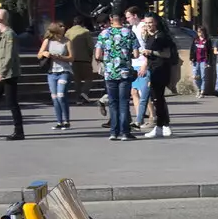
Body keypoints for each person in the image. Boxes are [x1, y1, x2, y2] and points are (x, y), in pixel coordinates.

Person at [95, 11, 138, 141]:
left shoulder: (104, 34)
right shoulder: (129, 33)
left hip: (109, 72)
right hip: (124, 72)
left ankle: (113, 132)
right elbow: (136, 54)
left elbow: (97, 55)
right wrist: (125, 56)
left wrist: (108, 59)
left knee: (113, 103)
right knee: (124, 102)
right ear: (122, 19)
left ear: (110, 19)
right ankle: (125, 132)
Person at [0, 6, 24, 141]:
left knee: (11, 102)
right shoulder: (0, 34)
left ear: (0, 19)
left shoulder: (9, 34)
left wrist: (1, 73)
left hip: (8, 74)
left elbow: (9, 56)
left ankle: (19, 132)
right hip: (1, 73)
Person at [142, 13, 177, 138]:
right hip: (153, 69)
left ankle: (164, 125)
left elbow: (167, 54)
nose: (148, 25)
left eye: (150, 22)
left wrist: (150, 52)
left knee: (158, 98)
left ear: (156, 22)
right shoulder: (150, 36)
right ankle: (161, 126)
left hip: (161, 69)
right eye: (146, 23)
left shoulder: (162, 36)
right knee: (157, 98)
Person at [38, 20, 73, 129]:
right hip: (52, 72)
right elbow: (39, 55)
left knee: (61, 95)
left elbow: (72, 57)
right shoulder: (47, 41)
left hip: (64, 71)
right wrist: (44, 53)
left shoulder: (67, 41)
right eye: (61, 27)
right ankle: (59, 122)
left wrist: (59, 57)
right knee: (54, 97)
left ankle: (67, 120)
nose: (63, 28)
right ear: (55, 30)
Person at [66, 15, 96, 107]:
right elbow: (91, 46)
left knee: (77, 80)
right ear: (82, 23)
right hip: (85, 59)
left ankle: (78, 99)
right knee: (88, 78)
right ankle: (84, 92)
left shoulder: (68, 32)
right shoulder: (85, 32)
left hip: (72, 59)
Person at [192, 27, 211, 98]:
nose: (199, 33)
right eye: (198, 31)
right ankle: (198, 89)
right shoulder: (195, 40)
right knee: (195, 76)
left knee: (203, 76)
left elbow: (209, 52)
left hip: (203, 61)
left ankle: (202, 91)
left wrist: (208, 61)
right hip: (196, 60)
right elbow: (192, 49)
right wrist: (191, 58)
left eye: (200, 31)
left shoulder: (207, 40)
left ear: (203, 32)